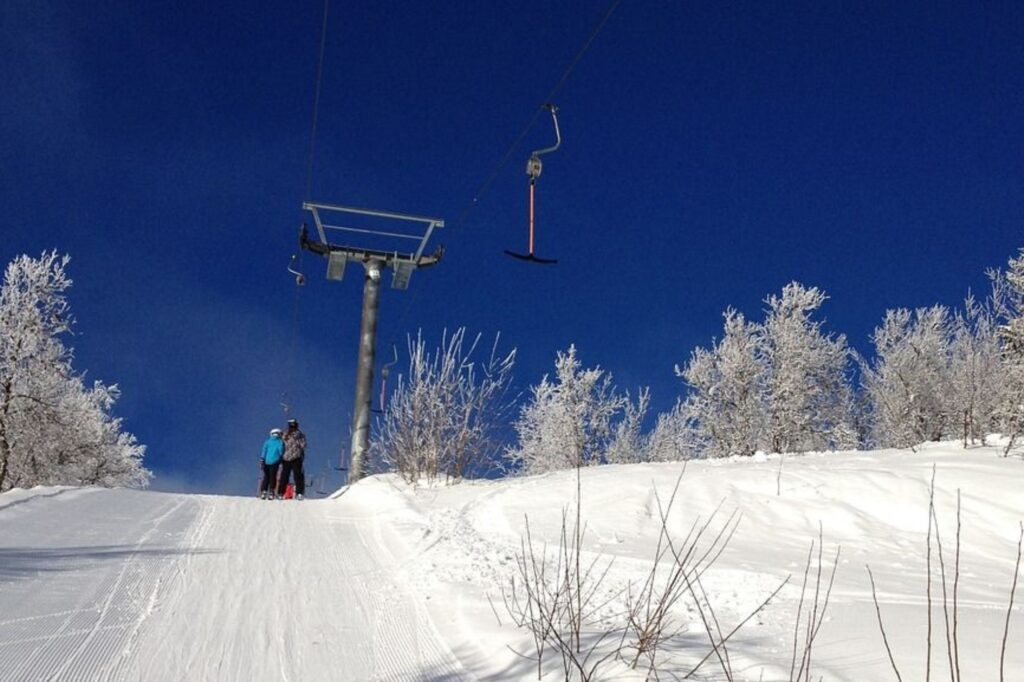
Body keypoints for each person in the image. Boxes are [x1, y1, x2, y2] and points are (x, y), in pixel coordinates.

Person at [278, 418, 307, 500]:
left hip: (288, 457)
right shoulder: (298, 434)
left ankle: (281, 493)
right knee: (296, 476)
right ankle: (298, 493)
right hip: (294, 457)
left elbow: (281, 445)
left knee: (286, 476)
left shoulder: (285, 434)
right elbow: (304, 445)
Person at [259, 428, 285, 500]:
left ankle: (264, 491)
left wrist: (262, 459)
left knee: (266, 477)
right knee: (273, 477)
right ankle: (271, 491)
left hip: (266, 461)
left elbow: (264, 451)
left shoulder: (267, 442)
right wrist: (281, 458)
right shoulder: (280, 442)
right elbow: (281, 451)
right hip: (275, 461)